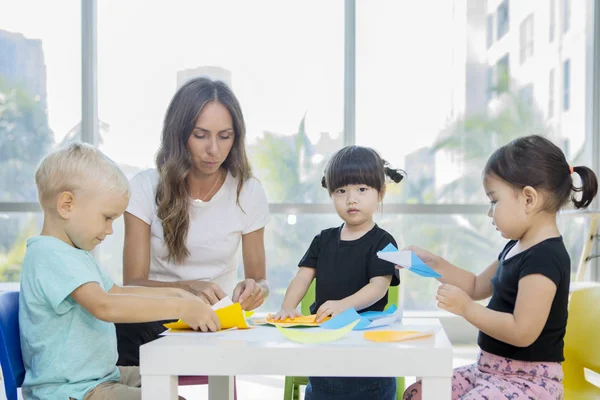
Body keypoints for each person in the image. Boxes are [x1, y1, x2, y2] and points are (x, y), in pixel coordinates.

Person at [403, 135, 598, 400]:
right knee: (419, 393)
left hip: (529, 382)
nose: (489, 212)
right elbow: (475, 286)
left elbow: (522, 331)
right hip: (487, 371)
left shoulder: (545, 258)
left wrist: (467, 310)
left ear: (529, 199)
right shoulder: (514, 247)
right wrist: (434, 263)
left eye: (494, 201)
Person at [19, 143, 219, 400]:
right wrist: (180, 309)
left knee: (166, 373)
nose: (110, 230)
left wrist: (178, 294)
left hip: (97, 377)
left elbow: (117, 292)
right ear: (67, 205)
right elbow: (105, 306)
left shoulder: (74, 255)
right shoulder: (49, 255)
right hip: (72, 391)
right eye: (107, 218)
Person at [115, 77, 270, 366]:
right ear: (179, 133)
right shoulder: (146, 187)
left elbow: (260, 279)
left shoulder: (248, 192)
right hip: (154, 322)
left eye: (225, 136)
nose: (214, 149)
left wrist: (256, 289)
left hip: (216, 324)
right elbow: (132, 284)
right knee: (121, 331)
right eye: (201, 135)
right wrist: (187, 289)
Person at [274, 145, 404, 400]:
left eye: (362, 190)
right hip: (325, 351)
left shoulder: (383, 242)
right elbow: (303, 276)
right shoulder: (323, 240)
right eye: (341, 191)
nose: (351, 199)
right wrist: (288, 306)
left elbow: (378, 287)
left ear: (381, 193)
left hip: (369, 358)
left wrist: (344, 305)